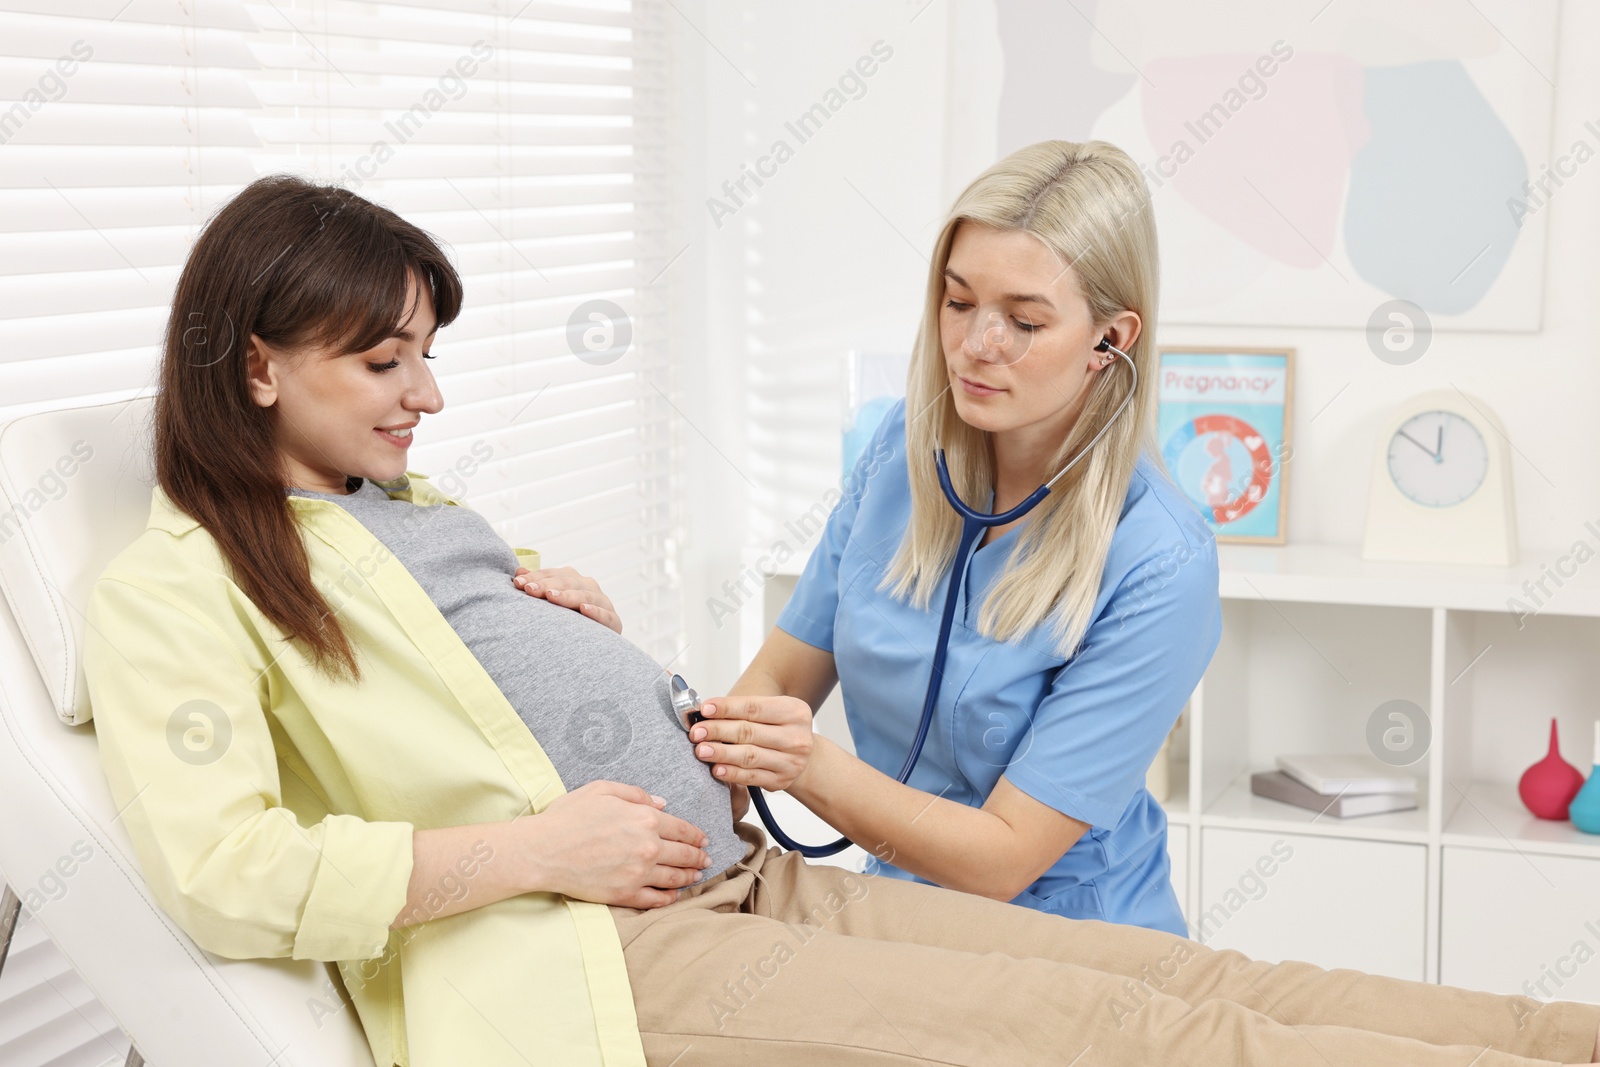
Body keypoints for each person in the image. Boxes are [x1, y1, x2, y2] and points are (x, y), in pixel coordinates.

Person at [82, 172, 1600, 1067]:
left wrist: (583, 625)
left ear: (1111, 338)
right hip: (605, 948)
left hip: (750, 872)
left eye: (425, 352)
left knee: (1199, 984)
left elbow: (457, 675)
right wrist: (541, 846)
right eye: (388, 359)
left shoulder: (402, 504)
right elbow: (230, 870)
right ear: (259, 362)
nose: (431, 391)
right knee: (1144, 1043)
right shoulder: (180, 583)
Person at [689, 139, 1217, 936]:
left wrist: (804, 763)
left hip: (1074, 936)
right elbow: (780, 676)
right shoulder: (904, 452)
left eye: (1024, 320)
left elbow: (1004, 857)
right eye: (959, 301)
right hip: (898, 911)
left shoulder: (1160, 560)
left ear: (1112, 340)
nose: (977, 344)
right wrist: (702, 763)